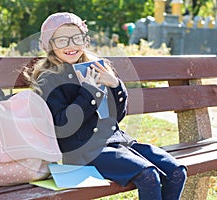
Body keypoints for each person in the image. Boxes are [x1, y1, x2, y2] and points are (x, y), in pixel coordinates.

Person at [25, 12, 187, 200]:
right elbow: (62, 124)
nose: (71, 45)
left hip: (118, 143)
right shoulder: (49, 79)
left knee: (177, 171)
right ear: (50, 45)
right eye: (62, 40)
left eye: (77, 38)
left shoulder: (94, 68)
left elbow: (116, 116)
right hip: (83, 151)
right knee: (148, 175)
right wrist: (87, 93)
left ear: (85, 41)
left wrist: (116, 86)